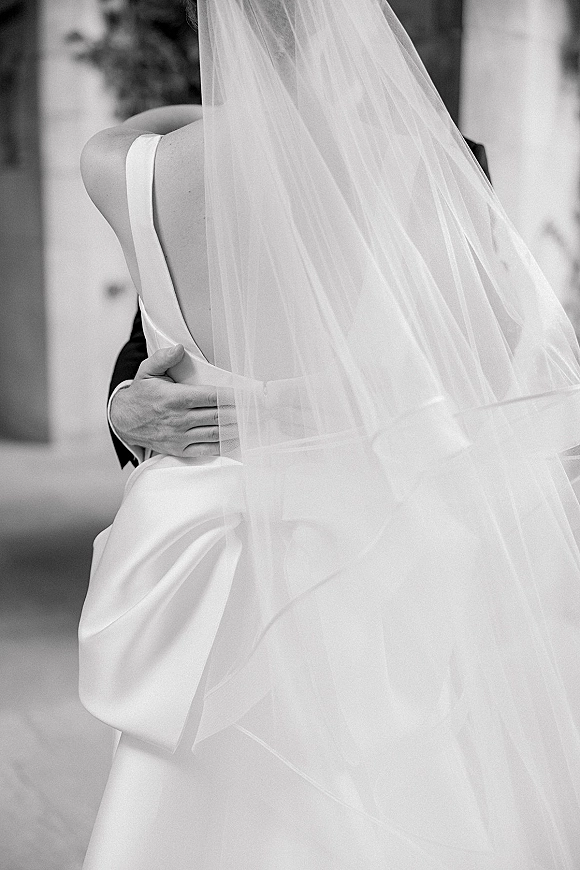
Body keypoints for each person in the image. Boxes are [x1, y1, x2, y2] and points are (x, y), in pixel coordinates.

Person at [78, 1, 580, 868]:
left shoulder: (125, 167)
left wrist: (236, 112)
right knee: (382, 794)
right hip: (360, 542)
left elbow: (148, 136)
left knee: (188, 802)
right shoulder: (432, 173)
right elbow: (484, 380)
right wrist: (126, 401)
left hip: (197, 535)